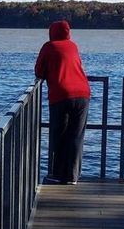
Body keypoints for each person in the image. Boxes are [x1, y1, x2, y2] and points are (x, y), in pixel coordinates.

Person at [34, 20, 91, 184]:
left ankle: (58, 174)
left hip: (61, 94)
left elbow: (39, 70)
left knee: (59, 135)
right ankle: (73, 176)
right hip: (83, 94)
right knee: (76, 136)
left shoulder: (49, 47)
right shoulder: (73, 46)